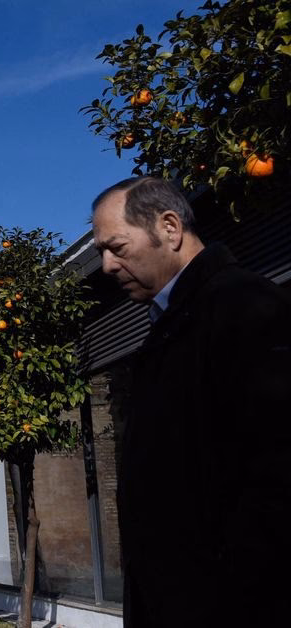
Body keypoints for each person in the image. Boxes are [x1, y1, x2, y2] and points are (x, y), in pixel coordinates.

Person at [91, 176, 291, 626]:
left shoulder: (243, 309)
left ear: (169, 227)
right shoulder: (172, 323)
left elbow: (274, 477)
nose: (106, 266)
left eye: (117, 247)